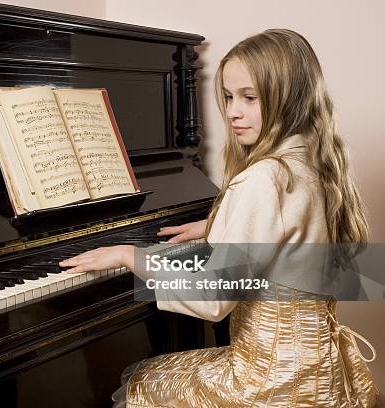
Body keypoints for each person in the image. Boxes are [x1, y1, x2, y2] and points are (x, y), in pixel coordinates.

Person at [59, 29, 379, 407]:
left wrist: (132, 256)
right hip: (318, 374)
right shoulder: (314, 164)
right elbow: (285, 239)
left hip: (269, 386)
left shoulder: (263, 179)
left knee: (144, 381)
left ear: (289, 99)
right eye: (228, 97)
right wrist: (215, 226)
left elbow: (213, 300)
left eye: (249, 98)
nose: (232, 112)